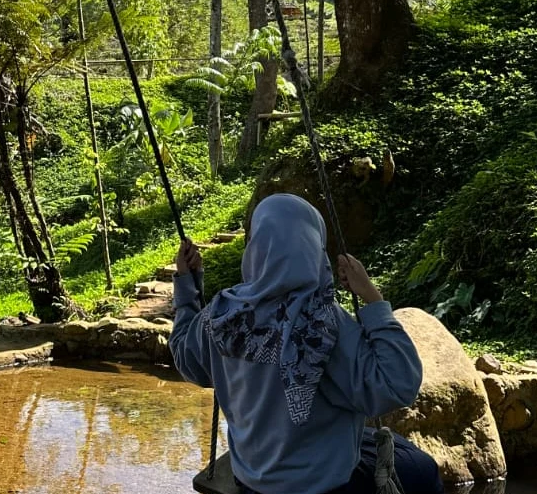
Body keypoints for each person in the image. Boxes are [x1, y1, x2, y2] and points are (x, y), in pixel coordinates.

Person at [169, 193, 444, 494]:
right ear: (315, 246)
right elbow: (398, 384)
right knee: (423, 472)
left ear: (256, 245)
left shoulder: (221, 314)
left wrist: (187, 285)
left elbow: (187, 360)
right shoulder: (323, 321)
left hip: (252, 482)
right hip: (324, 487)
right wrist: (374, 301)